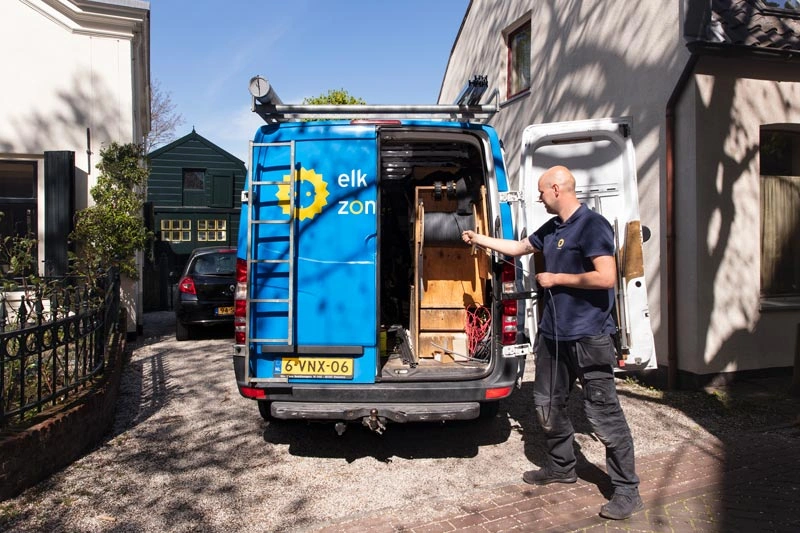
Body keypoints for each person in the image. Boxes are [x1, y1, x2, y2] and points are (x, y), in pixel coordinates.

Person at [461, 165, 643, 520]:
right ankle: (563, 466)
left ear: (558, 188)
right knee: (546, 404)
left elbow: (606, 277)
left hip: (589, 337)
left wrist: (557, 277)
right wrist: (479, 238)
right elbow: (517, 247)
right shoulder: (553, 228)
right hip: (553, 336)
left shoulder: (592, 226)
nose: (539, 198)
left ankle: (627, 490)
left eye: (542, 192)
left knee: (603, 414)